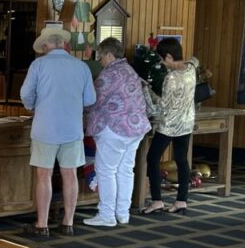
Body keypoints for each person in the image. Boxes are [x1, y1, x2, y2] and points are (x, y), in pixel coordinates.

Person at [20, 27, 96, 236]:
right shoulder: (81, 66)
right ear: (63, 44)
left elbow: (26, 93)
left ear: (46, 45)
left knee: (43, 175)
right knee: (70, 174)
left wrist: (34, 105)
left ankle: (42, 224)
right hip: (72, 128)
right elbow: (90, 99)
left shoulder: (39, 65)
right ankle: (68, 222)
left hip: (45, 127)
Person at [83, 38, 151, 227]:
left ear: (109, 55)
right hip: (136, 128)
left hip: (114, 129)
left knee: (106, 171)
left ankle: (107, 215)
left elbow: (92, 100)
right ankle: (122, 213)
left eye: (101, 56)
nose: (100, 61)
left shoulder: (109, 74)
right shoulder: (130, 70)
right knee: (125, 170)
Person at [143, 38, 198, 215]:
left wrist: (147, 91)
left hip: (169, 125)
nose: (161, 62)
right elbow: (195, 60)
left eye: (161, 58)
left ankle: (157, 201)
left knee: (152, 158)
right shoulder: (191, 68)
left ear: (168, 56)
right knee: (182, 159)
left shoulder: (171, 78)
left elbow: (162, 106)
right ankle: (181, 200)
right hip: (187, 122)